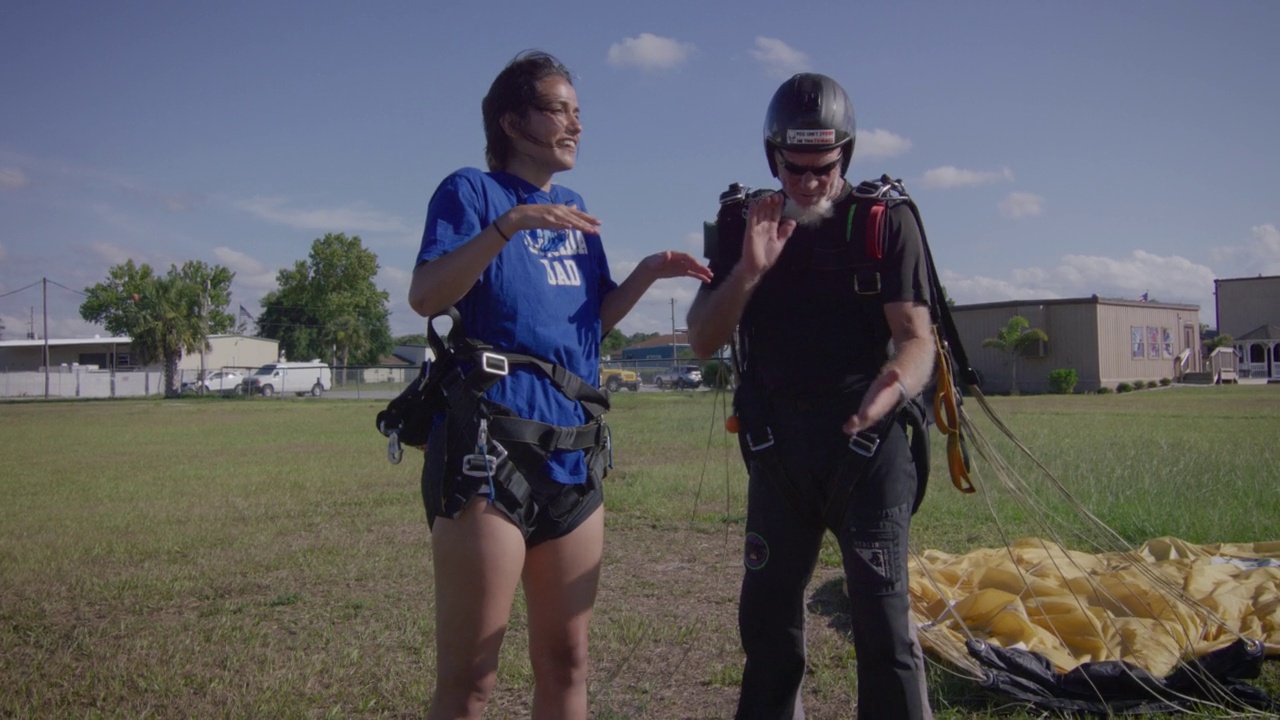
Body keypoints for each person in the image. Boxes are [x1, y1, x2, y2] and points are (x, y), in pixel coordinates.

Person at [407, 50, 711, 720]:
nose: (576, 125)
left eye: (579, 113)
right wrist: (507, 226)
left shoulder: (573, 207)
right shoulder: (471, 192)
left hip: (572, 457)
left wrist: (648, 274)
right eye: (559, 109)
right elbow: (427, 295)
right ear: (513, 121)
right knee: (472, 678)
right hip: (487, 455)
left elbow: (587, 328)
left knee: (569, 661)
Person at [687, 72, 936, 719]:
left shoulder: (883, 221)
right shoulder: (743, 221)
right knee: (767, 627)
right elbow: (701, 337)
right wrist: (749, 269)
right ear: (774, 158)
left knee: (883, 629)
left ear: (844, 156)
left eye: (822, 167)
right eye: (793, 168)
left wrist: (898, 381)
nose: (807, 182)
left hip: (868, 450)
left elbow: (917, 338)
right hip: (778, 454)